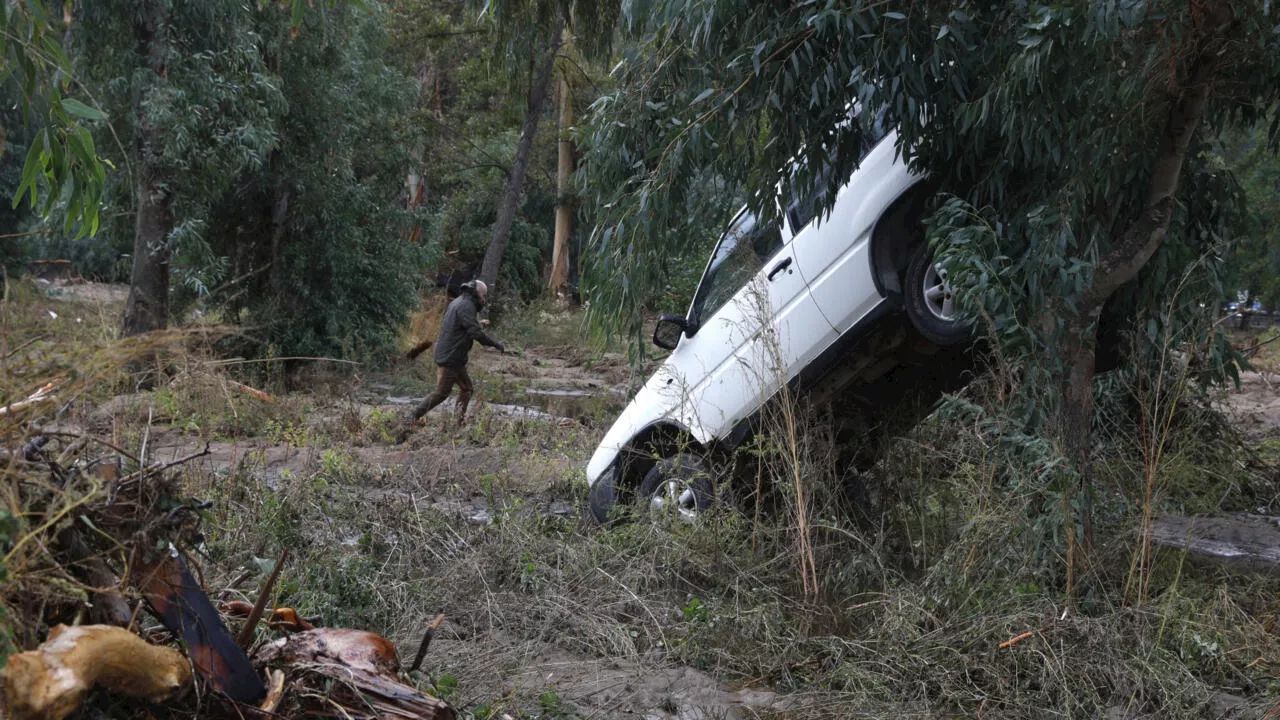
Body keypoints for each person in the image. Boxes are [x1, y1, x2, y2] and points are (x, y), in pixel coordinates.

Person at [398, 279, 504, 441]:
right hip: (451, 357)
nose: (484, 300)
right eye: (483, 296)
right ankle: (410, 418)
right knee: (441, 393)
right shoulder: (465, 306)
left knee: (467, 388)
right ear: (475, 293)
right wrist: (496, 344)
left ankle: (457, 424)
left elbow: (466, 327)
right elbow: (476, 333)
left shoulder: (460, 302)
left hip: (453, 356)